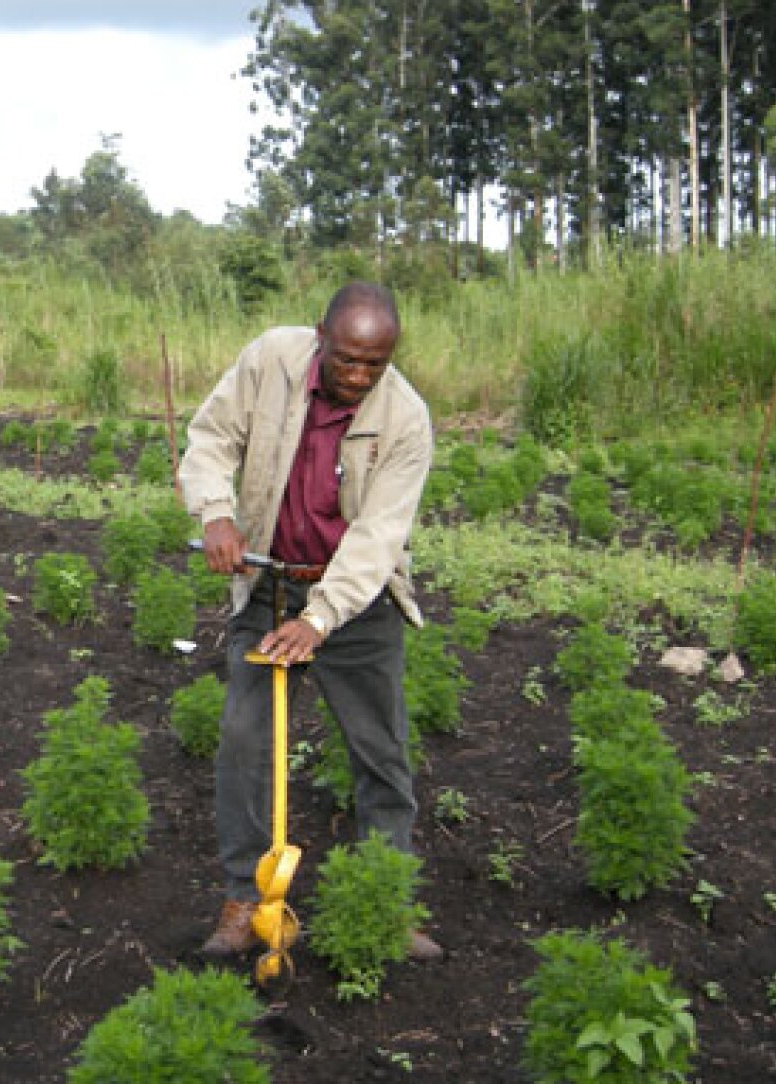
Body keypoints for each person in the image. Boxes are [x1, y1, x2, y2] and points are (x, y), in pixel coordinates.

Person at [177, 281, 441, 961]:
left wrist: (321, 618)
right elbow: (210, 437)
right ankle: (245, 901)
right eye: (347, 358)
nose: (357, 375)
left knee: (380, 753)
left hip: (355, 601)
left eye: (373, 364)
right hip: (271, 587)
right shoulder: (272, 361)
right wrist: (215, 512)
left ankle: (386, 902)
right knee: (243, 742)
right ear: (321, 337)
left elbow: (379, 537)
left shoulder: (407, 420)